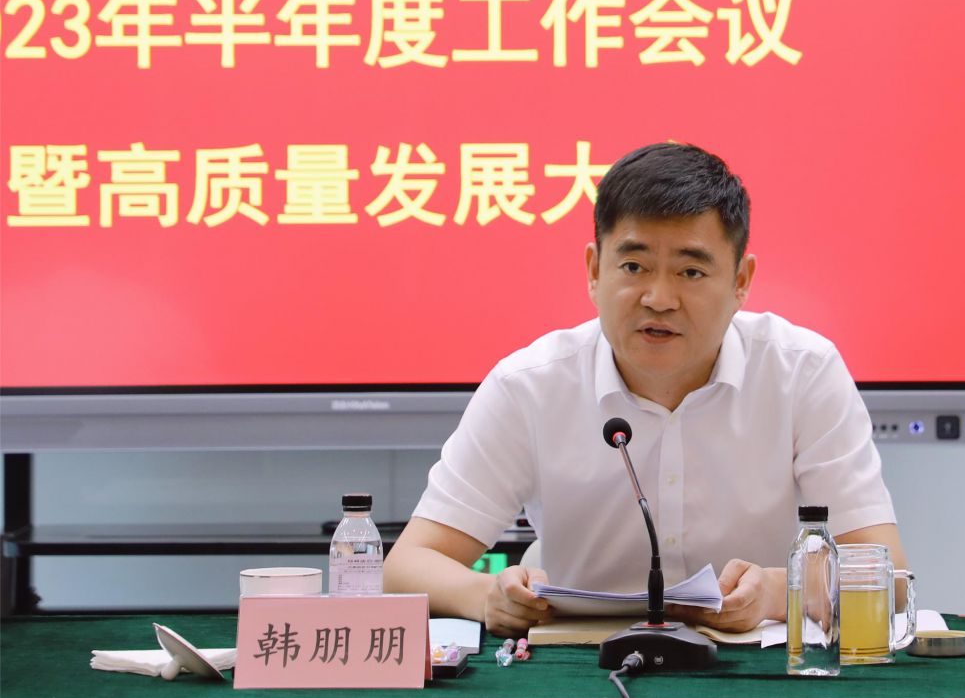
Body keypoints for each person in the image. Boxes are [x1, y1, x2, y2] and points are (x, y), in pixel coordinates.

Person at [383, 142, 907, 637]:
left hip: (751, 670)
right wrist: (485, 596)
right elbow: (406, 566)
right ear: (595, 271)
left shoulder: (803, 373)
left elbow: (890, 578)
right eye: (634, 267)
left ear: (741, 282)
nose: (659, 298)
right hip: (582, 670)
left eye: (691, 271)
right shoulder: (530, 386)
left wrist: (776, 592)